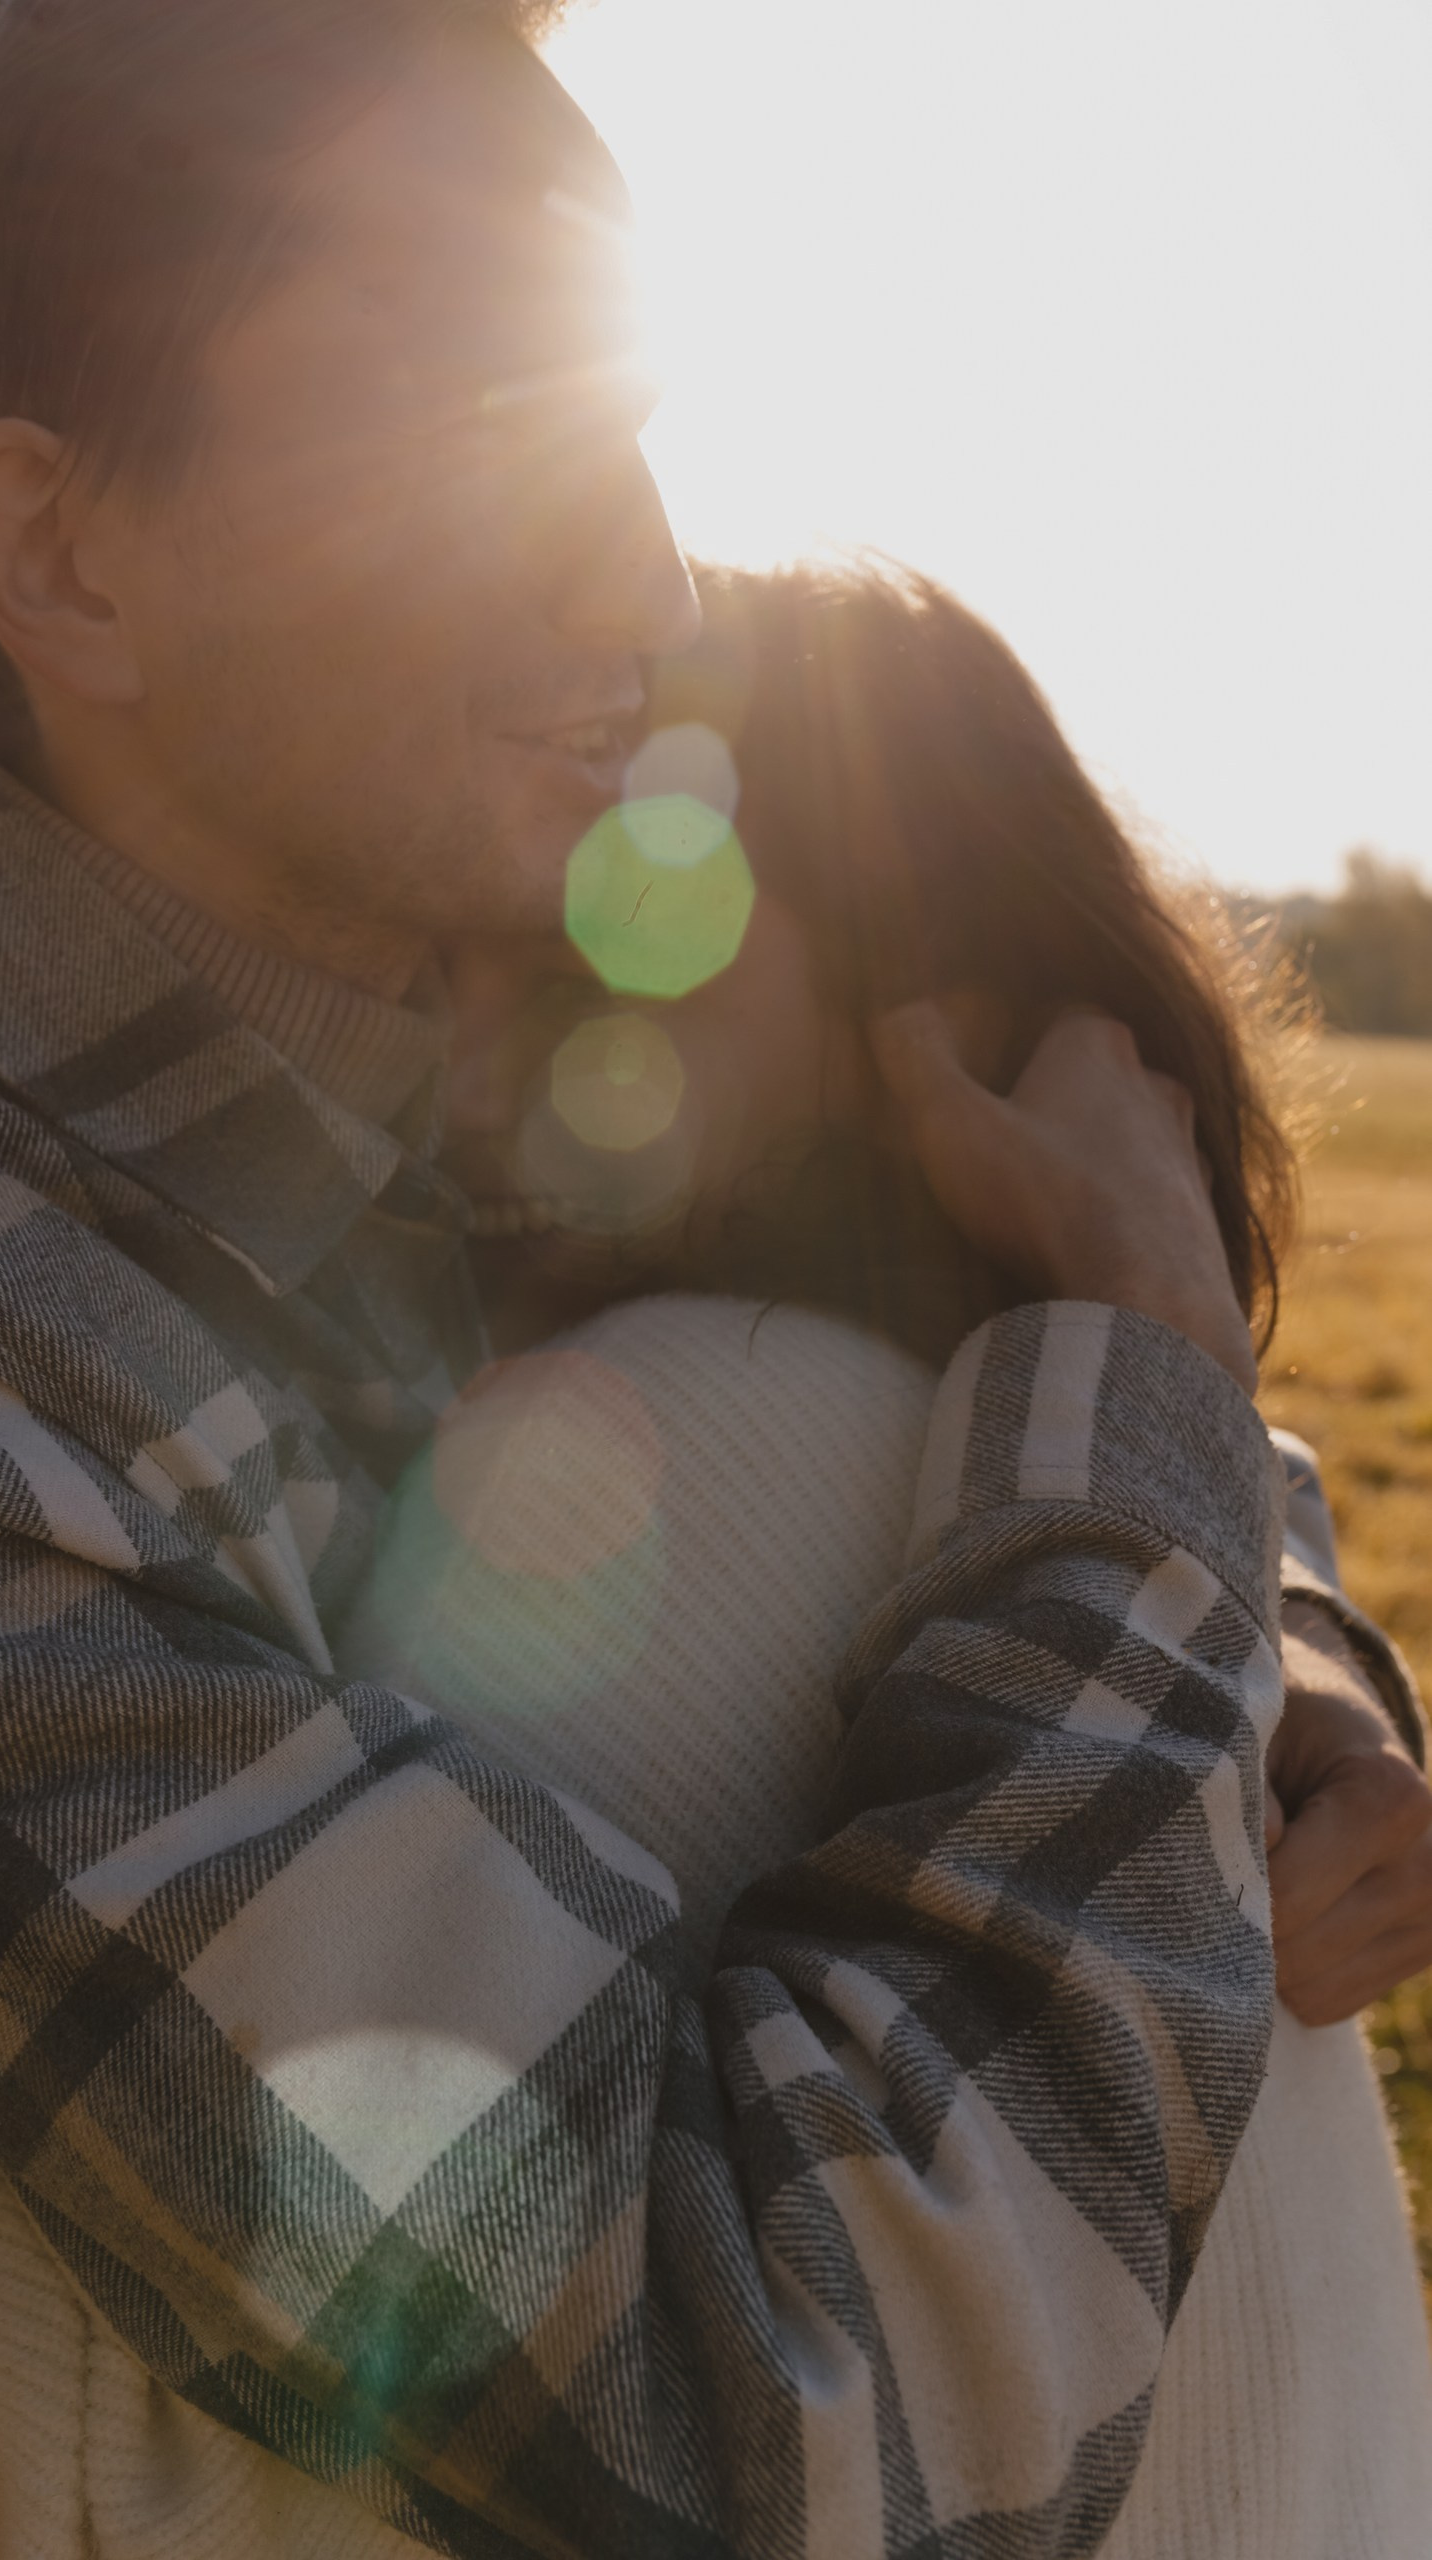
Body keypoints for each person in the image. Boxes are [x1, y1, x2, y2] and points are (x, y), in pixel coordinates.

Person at [0, 7, 1427, 2557]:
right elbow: (781, 2413)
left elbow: (931, 1351)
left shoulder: (419, 1095)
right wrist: (1140, 1392)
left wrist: (1265, 1618)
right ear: (64, 558)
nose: (640, 578)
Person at [337, 558, 1432, 2555]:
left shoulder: (632, 1459)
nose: (469, 1082)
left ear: (951, 1027)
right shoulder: (1102, 1485)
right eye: (445, 970)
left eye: (599, 979)